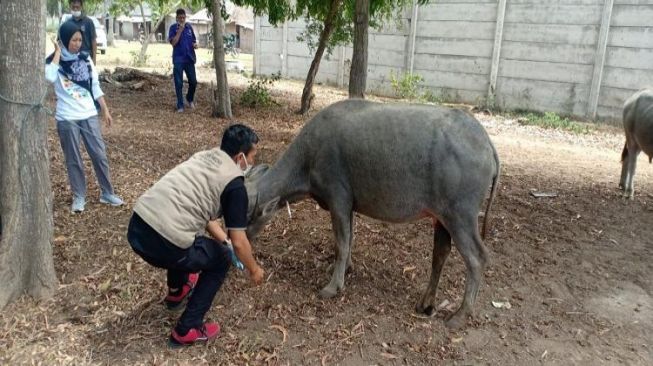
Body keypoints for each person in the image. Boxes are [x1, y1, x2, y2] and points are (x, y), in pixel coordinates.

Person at [127, 124, 265, 347]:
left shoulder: (203, 157)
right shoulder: (235, 185)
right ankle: (187, 328)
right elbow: (239, 243)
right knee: (220, 259)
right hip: (163, 242)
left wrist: (224, 240)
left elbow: (206, 217)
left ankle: (177, 292)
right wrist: (254, 269)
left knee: (187, 235)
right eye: (253, 156)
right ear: (240, 157)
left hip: (137, 225)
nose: (253, 162)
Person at [46, 22, 124, 213]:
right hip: (67, 118)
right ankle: (79, 196)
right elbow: (48, 77)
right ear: (64, 39)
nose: (78, 44)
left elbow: (95, 86)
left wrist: (105, 110)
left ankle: (107, 193)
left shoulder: (85, 59)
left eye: (80, 40)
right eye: (74, 40)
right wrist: (58, 51)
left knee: (99, 154)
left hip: (89, 114)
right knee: (73, 159)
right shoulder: (53, 62)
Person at [168, 8, 198, 113]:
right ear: (176, 18)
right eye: (180, 17)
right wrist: (180, 30)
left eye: (183, 17)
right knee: (179, 83)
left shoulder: (189, 27)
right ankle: (180, 106)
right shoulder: (173, 28)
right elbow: (173, 43)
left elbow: (193, 40)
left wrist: (195, 45)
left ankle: (189, 98)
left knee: (193, 82)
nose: (182, 19)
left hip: (189, 58)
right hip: (178, 60)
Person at [64, 0, 97, 64]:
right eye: (73, 7)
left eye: (77, 7)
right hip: (71, 58)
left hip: (86, 58)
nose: (75, 9)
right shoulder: (67, 23)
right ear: (70, 7)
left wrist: (94, 59)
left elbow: (93, 41)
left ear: (81, 7)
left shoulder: (88, 22)